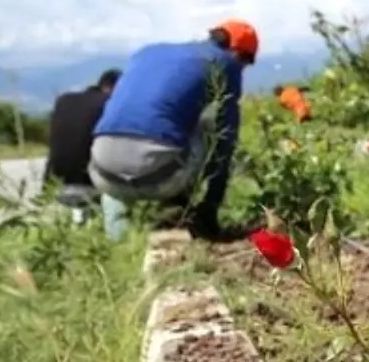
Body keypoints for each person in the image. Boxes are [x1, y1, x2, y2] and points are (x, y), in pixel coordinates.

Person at [88, 19, 258, 241]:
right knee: (209, 122)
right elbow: (225, 139)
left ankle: (116, 242)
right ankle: (180, 210)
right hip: (162, 179)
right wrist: (210, 207)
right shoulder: (225, 63)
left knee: (121, 154)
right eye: (246, 62)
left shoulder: (146, 52)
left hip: (102, 172)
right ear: (237, 53)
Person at [45, 68, 121, 223]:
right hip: (93, 186)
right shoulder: (110, 104)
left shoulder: (64, 100)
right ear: (112, 88)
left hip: (55, 185)